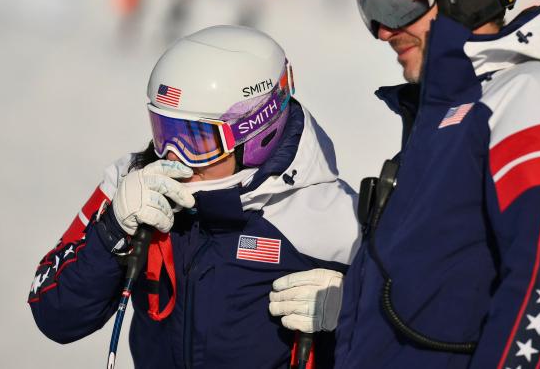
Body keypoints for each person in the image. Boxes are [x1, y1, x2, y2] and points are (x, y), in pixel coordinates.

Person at [28, 25, 361, 368]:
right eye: (164, 131)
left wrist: (355, 308)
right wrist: (112, 230)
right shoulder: (134, 186)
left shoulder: (332, 218)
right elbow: (55, 316)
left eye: (196, 139)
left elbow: (409, 329)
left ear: (258, 133)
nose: (174, 156)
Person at [325, 0, 540, 367]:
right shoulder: (442, 119)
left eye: (394, 2)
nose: (383, 31)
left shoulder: (523, 95)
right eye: (370, 8)